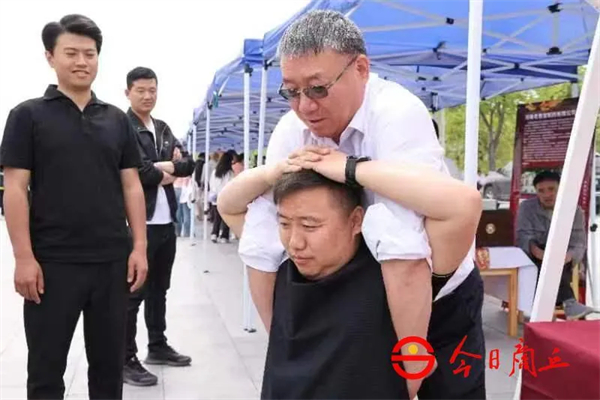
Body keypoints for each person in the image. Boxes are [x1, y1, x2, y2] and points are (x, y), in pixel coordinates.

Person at [238, 10, 486, 399]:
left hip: (438, 292)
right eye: (291, 91)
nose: (305, 106)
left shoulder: (396, 114)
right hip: (358, 296)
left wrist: (351, 169)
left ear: (361, 69)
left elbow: (406, 247)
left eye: (318, 88)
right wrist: (285, 341)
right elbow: (265, 230)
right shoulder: (291, 130)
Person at [218, 151, 482, 399]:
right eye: (284, 223)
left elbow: (463, 205)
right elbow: (228, 206)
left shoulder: (394, 280)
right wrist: (272, 171)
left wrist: (352, 169)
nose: (295, 242)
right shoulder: (282, 271)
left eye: (310, 225)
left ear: (356, 221)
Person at [0, 14, 147, 400]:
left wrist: (139, 247)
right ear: (50, 57)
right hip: (52, 263)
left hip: (111, 262)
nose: (82, 61)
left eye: (90, 53)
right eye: (71, 53)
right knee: (46, 370)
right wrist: (23, 257)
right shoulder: (27, 115)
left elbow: (131, 185)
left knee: (108, 369)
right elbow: (14, 189)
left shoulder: (116, 120)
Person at [123, 66, 195, 386]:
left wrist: (161, 168)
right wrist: (164, 168)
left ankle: (157, 345)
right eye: (140, 90)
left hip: (166, 223)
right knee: (132, 293)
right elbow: (136, 171)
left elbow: (188, 164)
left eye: (152, 90)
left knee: (159, 289)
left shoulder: (163, 128)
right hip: (138, 224)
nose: (147, 95)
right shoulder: (123, 127)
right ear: (128, 92)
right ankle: (125, 358)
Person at [516, 170, 596, 320]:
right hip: (534, 255)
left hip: (563, 258)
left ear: (561, 189)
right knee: (545, 258)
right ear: (536, 192)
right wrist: (537, 252)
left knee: (555, 258)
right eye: (541, 191)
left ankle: (546, 307)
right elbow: (523, 237)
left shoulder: (574, 210)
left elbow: (579, 242)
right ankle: (569, 302)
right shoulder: (527, 208)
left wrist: (567, 256)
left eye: (551, 189)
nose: (547, 195)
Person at [209, 150, 236, 243]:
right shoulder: (230, 173)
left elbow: (211, 183)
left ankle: (214, 234)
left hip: (215, 197)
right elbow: (231, 185)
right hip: (226, 197)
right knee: (226, 217)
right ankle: (224, 236)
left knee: (217, 217)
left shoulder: (215, 172)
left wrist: (214, 192)